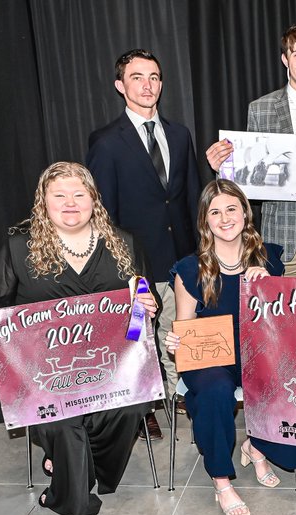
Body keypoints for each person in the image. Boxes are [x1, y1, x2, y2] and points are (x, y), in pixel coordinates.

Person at [0, 162, 159, 515]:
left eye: (79, 194)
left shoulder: (123, 243)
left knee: (127, 408)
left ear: (94, 199)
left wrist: (149, 304)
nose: (70, 203)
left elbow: (144, 296)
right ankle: (69, 490)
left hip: (112, 365)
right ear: (43, 202)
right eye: (59, 195)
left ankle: (74, 464)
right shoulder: (19, 247)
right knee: (63, 420)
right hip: (44, 372)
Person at [163, 180, 296, 515]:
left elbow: (284, 321)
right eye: (215, 212)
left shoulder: (269, 260)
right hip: (211, 358)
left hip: (257, 352)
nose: (225, 218)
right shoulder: (190, 269)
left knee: (286, 376)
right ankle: (221, 479)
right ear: (205, 221)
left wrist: (264, 282)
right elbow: (185, 324)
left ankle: (257, 445)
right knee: (215, 390)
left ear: (245, 213)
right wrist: (174, 342)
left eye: (231, 209)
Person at [87, 48, 203, 439]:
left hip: (180, 258)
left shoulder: (179, 134)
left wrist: (198, 253)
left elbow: (188, 197)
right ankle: (143, 408)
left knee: (179, 327)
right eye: (137, 77)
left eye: (154, 76)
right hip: (135, 263)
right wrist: (122, 269)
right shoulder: (106, 142)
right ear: (121, 86)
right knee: (139, 336)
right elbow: (104, 212)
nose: (147, 85)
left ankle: (183, 391)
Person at [204, 22, 296, 279]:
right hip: (285, 229)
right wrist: (224, 168)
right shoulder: (260, 109)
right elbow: (251, 175)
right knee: (284, 313)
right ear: (285, 59)